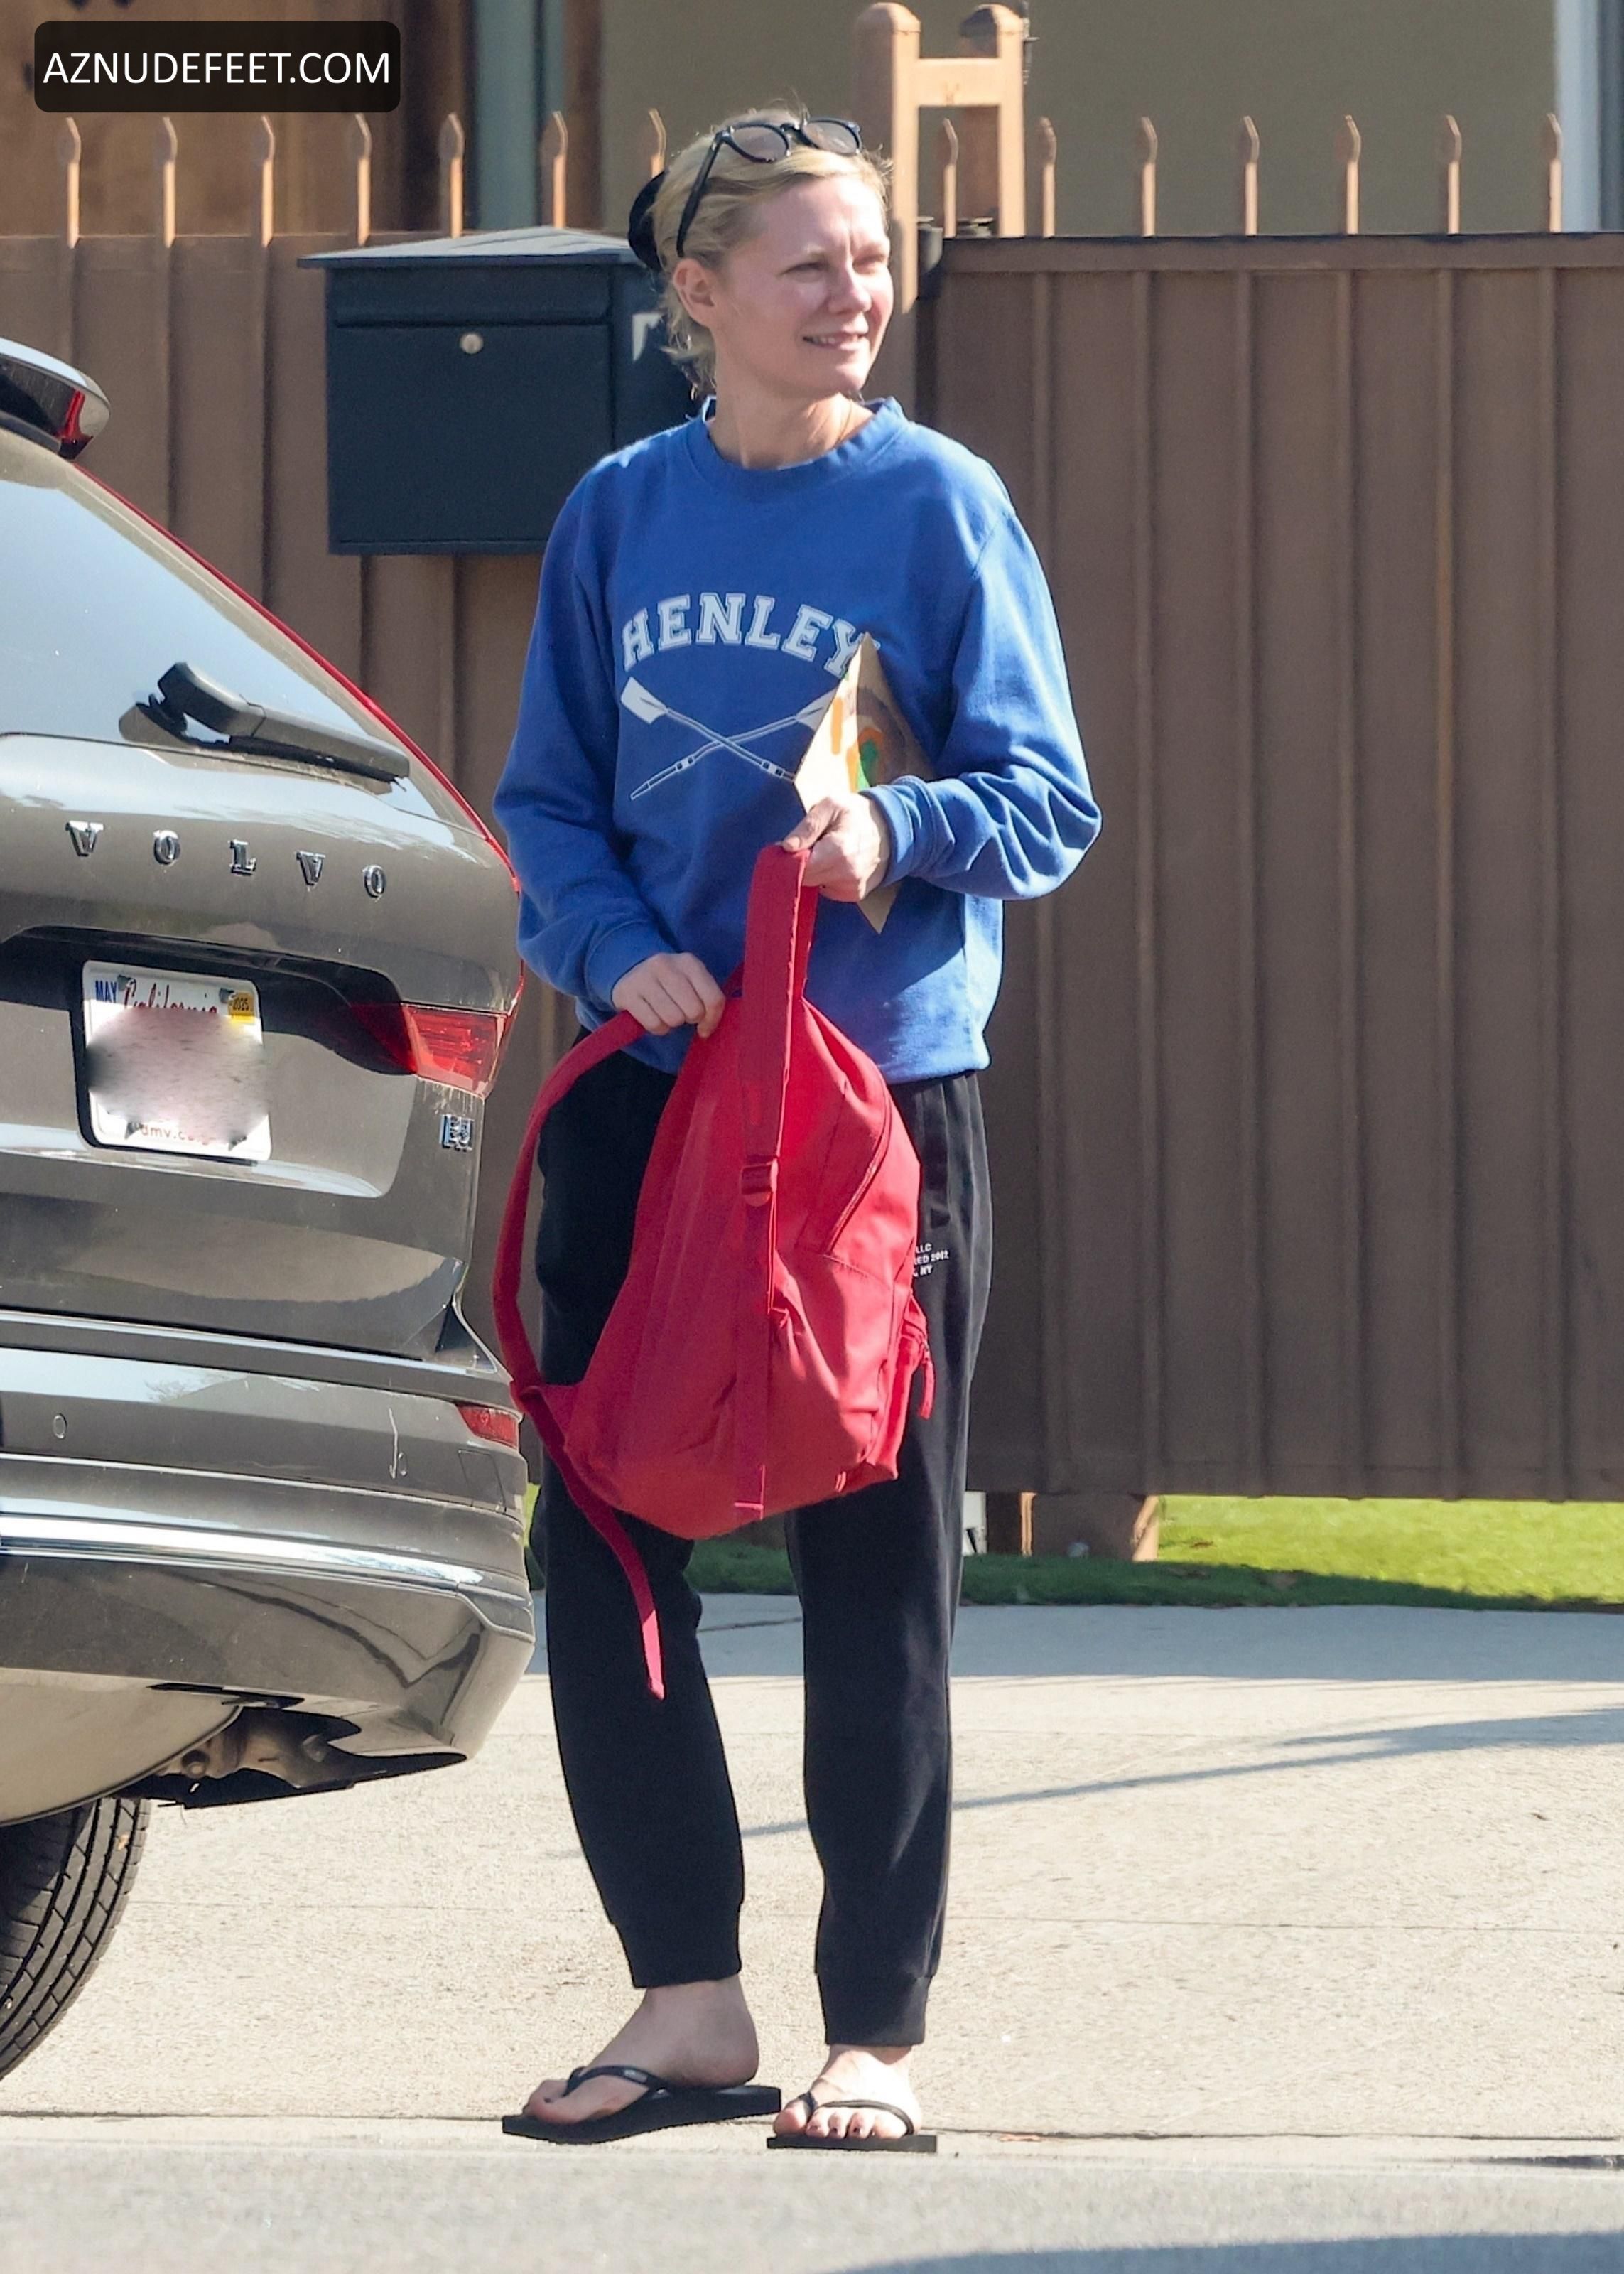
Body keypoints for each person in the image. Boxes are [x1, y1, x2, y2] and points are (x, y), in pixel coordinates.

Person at [493, 106, 1099, 2148]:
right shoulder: (619, 513)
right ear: (700, 292)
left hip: (868, 1117)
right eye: (812, 265)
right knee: (610, 1540)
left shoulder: (938, 504)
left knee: (875, 1558)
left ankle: (875, 2034)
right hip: (655, 1096)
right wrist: (610, 948)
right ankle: (685, 2004)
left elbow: (1047, 800)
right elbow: (548, 800)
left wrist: (892, 833)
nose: (859, 298)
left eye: (873, 260)